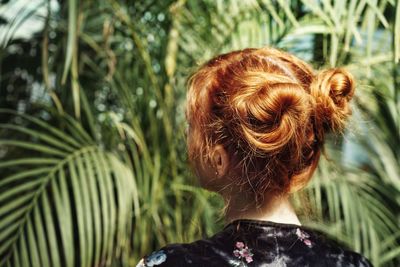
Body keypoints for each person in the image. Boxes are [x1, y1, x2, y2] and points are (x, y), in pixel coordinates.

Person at [136, 47, 373, 267]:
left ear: (218, 160)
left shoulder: (171, 263)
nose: (186, 134)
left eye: (191, 125)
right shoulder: (354, 264)